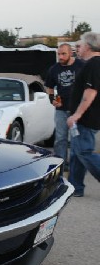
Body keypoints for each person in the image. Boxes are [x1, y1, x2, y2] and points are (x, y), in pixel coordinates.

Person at [66, 32, 100, 197]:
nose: (77, 49)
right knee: (76, 153)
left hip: (86, 117)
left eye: (79, 46)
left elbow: (90, 92)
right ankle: (75, 187)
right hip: (86, 117)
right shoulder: (92, 63)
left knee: (84, 152)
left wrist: (76, 115)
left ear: (88, 46)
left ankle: (75, 186)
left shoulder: (94, 64)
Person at [45, 43, 85, 164]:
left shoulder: (81, 66)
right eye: (59, 54)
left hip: (77, 110)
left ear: (71, 53)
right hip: (61, 110)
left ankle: (75, 164)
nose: (60, 57)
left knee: (75, 139)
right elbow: (49, 87)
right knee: (60, 138)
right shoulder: (54, 69)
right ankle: (61, 163)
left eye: (64, 54)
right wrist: (52, 99)